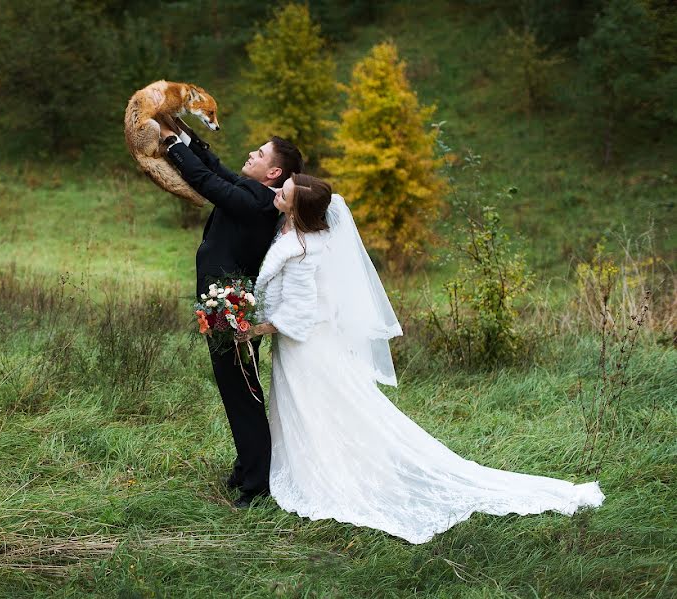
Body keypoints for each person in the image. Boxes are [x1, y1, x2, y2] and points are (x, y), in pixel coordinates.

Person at [236, 173, 605, 544]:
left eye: (283, 194)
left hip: (307, 347)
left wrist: (254, 329)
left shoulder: (301, 248)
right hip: (311, 342)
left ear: (297, 210)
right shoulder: (299, 231)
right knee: (322, 409)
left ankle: (328, 474)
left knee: (316, 411)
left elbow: (299, 314)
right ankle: (328, 464)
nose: (276, 195)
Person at [157, 116, 304, 508]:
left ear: (273, 172)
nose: (250, 153)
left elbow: (208, 183)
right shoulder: (253, 189)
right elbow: (215, 167)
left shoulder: (257, 202)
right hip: (220, 305)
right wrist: (184, 134)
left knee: (243, 393)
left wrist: (172, 148)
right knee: (234, 389)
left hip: (231, 310)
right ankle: (247, 466)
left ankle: (256, 485)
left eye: (259, 153)